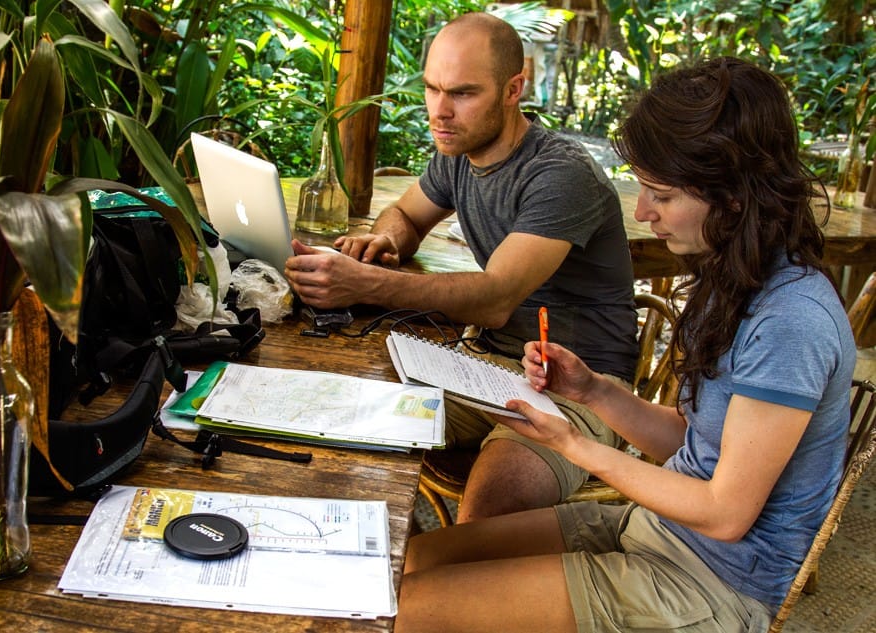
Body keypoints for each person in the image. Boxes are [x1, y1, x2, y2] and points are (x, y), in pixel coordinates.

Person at [393, 56, 856, 633]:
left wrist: (574, 443)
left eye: (660, 195)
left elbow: (725, 512)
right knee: (406, 567)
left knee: (407, 615)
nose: (642, 212)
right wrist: (592, 392)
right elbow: (693, 441)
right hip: (656, 529)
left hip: (713, 585)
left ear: (734, 196)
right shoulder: (735, 278)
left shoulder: (792, 320)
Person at [284, 12, 638, 521]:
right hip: (487, 366)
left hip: (583, 384)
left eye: (463, 93)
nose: (440, 112)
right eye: (432, 89)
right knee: (338, 415)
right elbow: (404, 213)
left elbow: (495, 299)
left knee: (486, 513)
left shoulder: (559, 174)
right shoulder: (458, 150)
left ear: (514, 89)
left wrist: (368, 283)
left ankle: (443, 588)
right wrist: (384, 241)